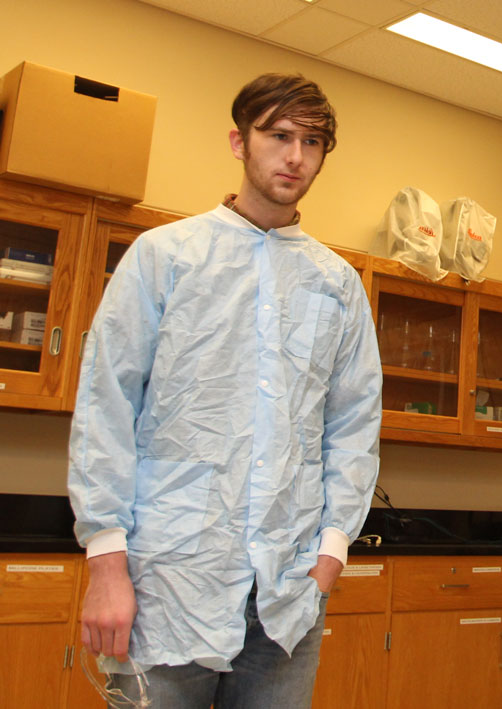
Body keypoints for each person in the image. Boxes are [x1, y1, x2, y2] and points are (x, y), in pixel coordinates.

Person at [68, 73, 382, 708]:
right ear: (239, 143)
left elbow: (353, 426)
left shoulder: (338, 284)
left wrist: (331, 554)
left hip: (287, 598)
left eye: (313, 142)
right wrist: (106, 567)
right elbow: (106, 407)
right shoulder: (165, 257)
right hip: (168, 581)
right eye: (279, 136)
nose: (295, 156)